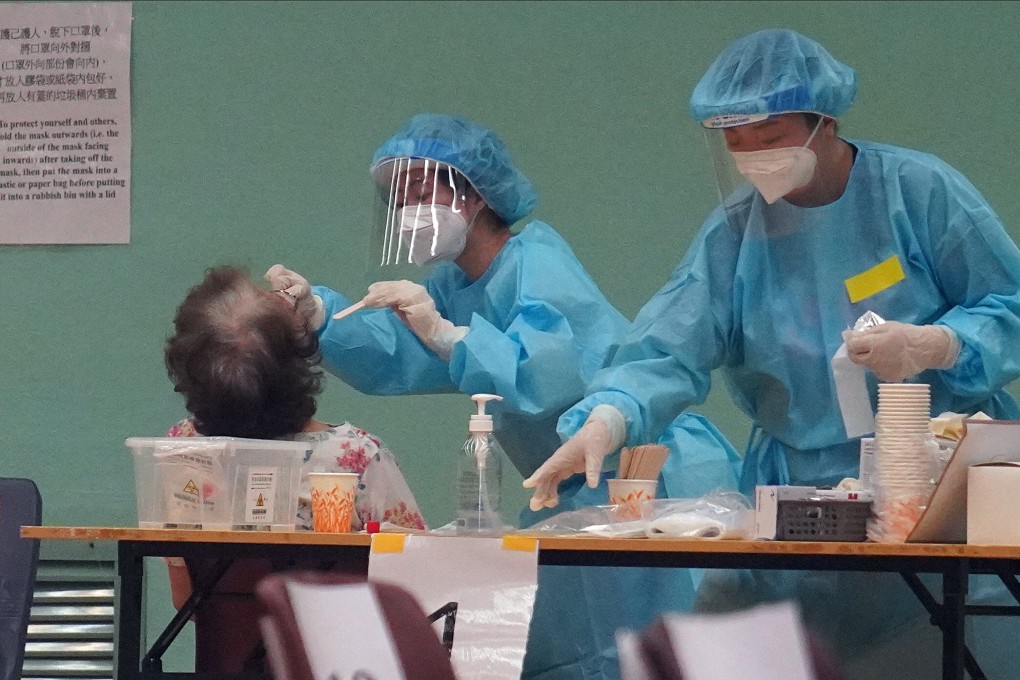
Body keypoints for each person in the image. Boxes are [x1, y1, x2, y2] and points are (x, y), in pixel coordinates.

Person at [526, 28, 1020, 672]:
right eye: (736, 142)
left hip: (936, 491)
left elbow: (1009, 305)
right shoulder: (736, 233)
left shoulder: (918, 193)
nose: (754, 156)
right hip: (801, 503)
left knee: (948, 651)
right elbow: (668, 345)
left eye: (770, 136)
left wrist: (941, 344)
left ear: (825, 121)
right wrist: (607, 417)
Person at [266, 113, 741, 680]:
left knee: (660, 658)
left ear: (474, 194)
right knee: (580, 656)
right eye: (398, 199)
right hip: (572, 495)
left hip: (644, 483)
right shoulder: (455, 286)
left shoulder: (536, 261)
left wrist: (449, 336)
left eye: (420, 192)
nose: (407, 211)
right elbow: (397, 353)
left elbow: (545, 375)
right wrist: (319, 314)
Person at [163, 265, 425, 672]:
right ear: (298, 360)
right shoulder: (358, 456)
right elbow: (414, 595)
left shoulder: (182, 451)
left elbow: (188, 601)